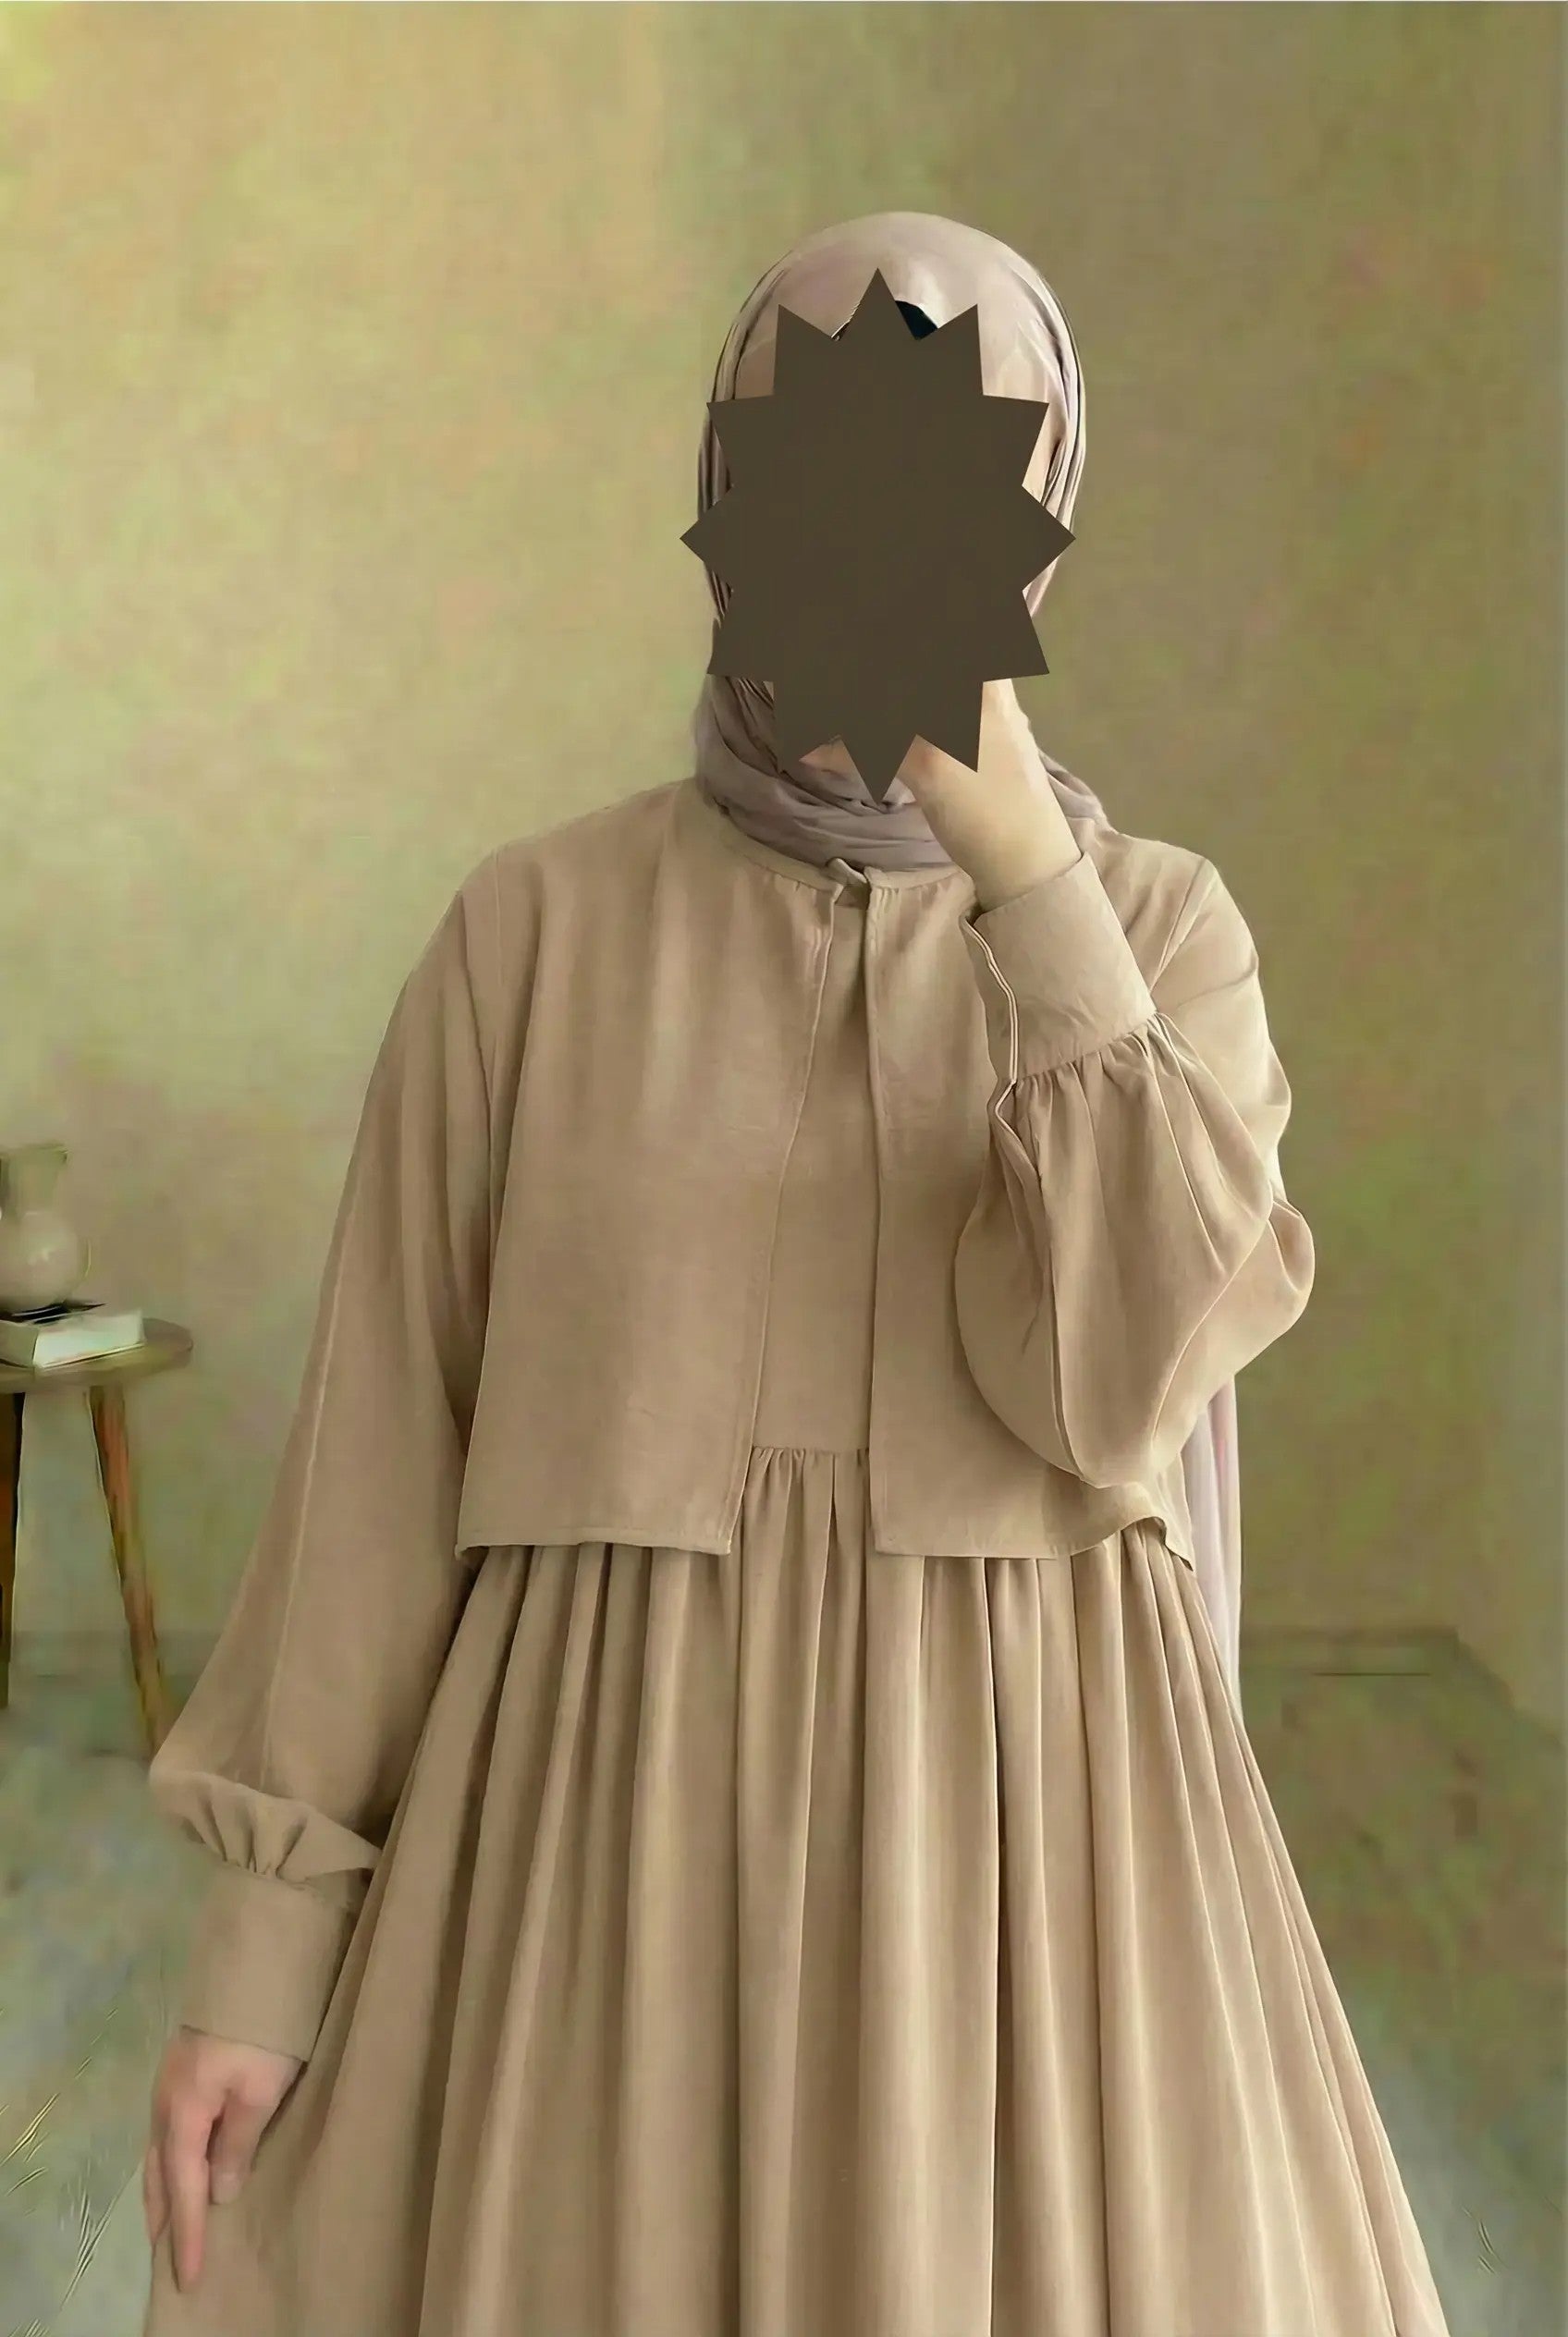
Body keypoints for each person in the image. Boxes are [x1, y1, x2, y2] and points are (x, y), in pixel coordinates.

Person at [141, 212, 1451, 2337]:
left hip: (1034, 1886)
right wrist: (262, 1956)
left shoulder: (1159, 938)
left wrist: (1021, 871)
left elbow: (1128, 1380)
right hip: (597, 1870)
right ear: (724, 500)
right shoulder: (531, 938)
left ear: (1038, 528)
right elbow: (376, 1460)